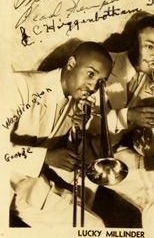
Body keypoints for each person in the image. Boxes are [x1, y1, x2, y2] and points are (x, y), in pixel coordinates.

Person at [6, 42, 112, 227]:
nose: (93, 85)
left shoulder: (75, 101)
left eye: (100, 81)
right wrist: (46, 157)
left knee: (90, 190)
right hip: (8, 183)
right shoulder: (20, 84)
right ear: (71, 64)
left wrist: (80, 132)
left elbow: (69, 153)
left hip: (32, 180)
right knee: (94, 227)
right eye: (90, 73)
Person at [89, 15, 154, 229]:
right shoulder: (105, 64)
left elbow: (145, 150)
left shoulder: (152, 82)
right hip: (79, 151)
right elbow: (88, 123)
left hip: (113, 154)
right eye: (150, 46)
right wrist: (128, 115)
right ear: (133, 44)